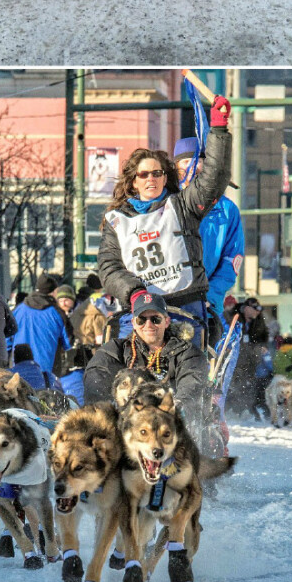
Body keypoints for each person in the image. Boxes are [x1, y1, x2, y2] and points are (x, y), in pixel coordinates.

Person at [89, 107, 231, 445]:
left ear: (166, 177)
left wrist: (219, 130)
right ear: (132, 181)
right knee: (120, 371)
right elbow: (108, 267)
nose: (150, 179)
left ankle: (189, 437)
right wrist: (134, 291)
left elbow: (214, 179)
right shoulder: (116, 221)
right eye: (143, 175)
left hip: (184, 307)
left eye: (157, 173)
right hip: (139, 310)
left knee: (189, 375)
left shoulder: (182, 206)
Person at [173, 136, 245, 320]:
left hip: (206, 307)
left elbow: (232, 258)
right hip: (167, 304)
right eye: (186, 161)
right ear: (175, 167)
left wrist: (210, 295)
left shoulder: (227, 210)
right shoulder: (167, 203)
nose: (193, 167)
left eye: (199, 161)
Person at [12, 282, 74, 380]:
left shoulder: (18, 310)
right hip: (47, 371)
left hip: (19, 370)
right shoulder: (57, 312)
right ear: (53, 292)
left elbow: (6, 339)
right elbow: (68, 343)